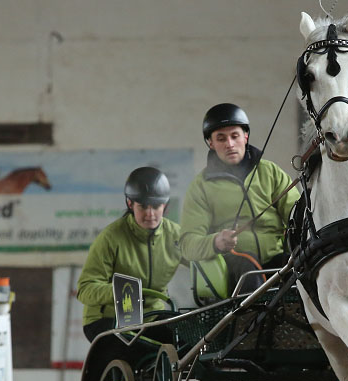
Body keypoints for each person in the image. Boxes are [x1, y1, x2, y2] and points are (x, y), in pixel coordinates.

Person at [180, 103, 299, 295]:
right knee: (248, 268)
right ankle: (248, 321)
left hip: (276, 258)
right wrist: (216, 242)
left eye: (234, 136)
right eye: (221, 138)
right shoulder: (201, 186)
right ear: (210, 143)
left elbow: (297, 213)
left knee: (301, 265)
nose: (229, 144)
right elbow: (187, 245)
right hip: (232, 264)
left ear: (245, 136)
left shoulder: (271, 172)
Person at [77, 166, 182, 344]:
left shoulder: (176, 235)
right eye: (143, 207)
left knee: (185, 342)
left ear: (165, 205)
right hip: (107, 318)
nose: (150, 214)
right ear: (130, 204)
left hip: (150, 317)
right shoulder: (111, 237)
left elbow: (202, 254)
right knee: (133, 347)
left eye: (156, 206)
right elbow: (84, 289)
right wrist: (120, 292)